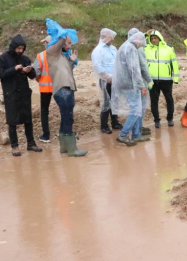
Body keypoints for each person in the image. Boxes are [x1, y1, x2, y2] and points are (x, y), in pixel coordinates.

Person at [43, 18, 87, 157]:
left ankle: (64, 147)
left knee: (66, 117)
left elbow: (67, 71)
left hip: (66, 89)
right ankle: (72, 149)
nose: (69, 46)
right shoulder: (52, 52)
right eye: (68, 43)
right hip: (62, 90)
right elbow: (61, 40)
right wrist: (63, 36)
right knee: (68, 118)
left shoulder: (61, 56)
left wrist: (71, 61)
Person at [0, 35, 43, 156]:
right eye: (18, 48)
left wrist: (29, 71)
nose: (20, 50)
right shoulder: (3, 58)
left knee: (28, 119)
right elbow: (1, 75)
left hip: (24, 93)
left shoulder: (25, 58)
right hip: (11, 94)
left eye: (22, 48)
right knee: (12, 121)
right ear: (13, 47)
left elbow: (32, 75)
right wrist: (14, 69)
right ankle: (15, 146)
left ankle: (31, 143)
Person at [111, 32, 150, 146]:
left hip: (123, 82)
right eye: (141, 44)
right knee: (136, 110)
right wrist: (141, 85)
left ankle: (136, 135)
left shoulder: (125, 46)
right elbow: (134, 69)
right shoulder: (131, 48)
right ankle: (123, 135)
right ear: (138, 40)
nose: (140, 47)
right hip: (129, 84)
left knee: (135, 109)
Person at [90, 28, 123, 134]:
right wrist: (107, 77)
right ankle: (104, 125)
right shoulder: (98, 50)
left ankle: (115, 122)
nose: (112, 40)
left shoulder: (113, 48)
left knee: (115, 101)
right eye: (111, 38)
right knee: (106, 103)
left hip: (116, 79)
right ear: (105, 37)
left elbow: (118, 61)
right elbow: (97, 66)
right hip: (106, 81)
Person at [144, 29, 179, 128]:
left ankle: (170, 118)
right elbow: (136, 41)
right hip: (152, 81)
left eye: (155, 38)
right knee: (154, 101)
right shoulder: (146, 48)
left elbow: (175, 64)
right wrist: (145, 35)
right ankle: (156, 120)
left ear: (160, 38)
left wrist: (175, 78)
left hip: (166, 80)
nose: (154, 40)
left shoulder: (169, 48)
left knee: (169, 100)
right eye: (152, 38)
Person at [129, 28, 152, 136]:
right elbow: (143, 66)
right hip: (140, 82)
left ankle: (137, 129)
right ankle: (137, 130)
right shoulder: (138, 49)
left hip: (132, 82)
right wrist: (149, 80)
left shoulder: (128, 48)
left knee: (136, 107)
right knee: (140, 107)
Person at [34, 35, 53, 142]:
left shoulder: (40, 56)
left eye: (44, 42)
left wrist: (39, 80)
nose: (44, 44)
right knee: (63, 109)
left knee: (44, 110)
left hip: (45, 88)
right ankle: (65, 132)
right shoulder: (58, 54)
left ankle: (46, 135)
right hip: (58, 86)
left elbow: (37, 72)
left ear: (47, 43)